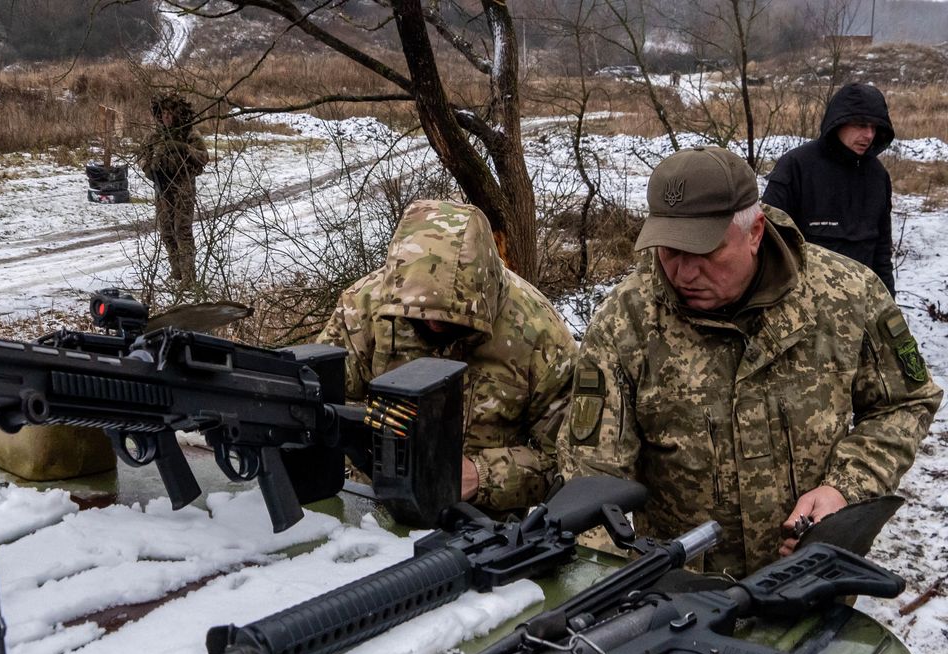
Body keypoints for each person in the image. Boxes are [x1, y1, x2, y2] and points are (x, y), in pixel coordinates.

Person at [560, 146, 941, 578]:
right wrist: (613, 586)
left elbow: (905, 401)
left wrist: (845, 488)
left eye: (704, 252)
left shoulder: (847, 296)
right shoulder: (626, 322)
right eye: (668, 251)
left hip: (813, 583)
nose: (683, 274)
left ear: (755, 231)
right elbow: (591, 477)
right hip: (682, 602)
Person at [318, 199, 577, 513]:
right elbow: (321, 400)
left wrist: (480, 476)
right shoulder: (365, 307)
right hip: (375, 512)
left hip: (484, 526)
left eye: (450, 316)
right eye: (420, 313)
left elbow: (568, 460)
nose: (432, 323)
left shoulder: (540, 335)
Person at [763, 83, 896, 294]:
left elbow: (881, 251)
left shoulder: (877, 175)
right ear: (839, 122)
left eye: (874, 127)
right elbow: (768, 244)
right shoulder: (796, 167)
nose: (869, 135)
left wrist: (888, 303)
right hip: (805, 303)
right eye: (861, 125)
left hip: (863, 301)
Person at [138, 93, 208, 293]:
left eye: (170, 114)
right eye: (163, 114)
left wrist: (182, 148)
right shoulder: (154, 136)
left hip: (183, 188)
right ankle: (176, 272)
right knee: (166, 231)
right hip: (162, 188)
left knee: (182, 231)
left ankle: (189, 277)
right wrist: (148, 168)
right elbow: (142, 155)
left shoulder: (189, 134)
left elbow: (204, 157)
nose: (166, 118)